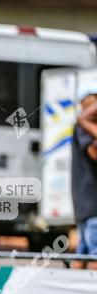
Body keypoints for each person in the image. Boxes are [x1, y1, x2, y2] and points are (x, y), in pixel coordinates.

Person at [73, 93, 97, 268]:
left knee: (83, 252)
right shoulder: (83, 128)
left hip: (86, 204)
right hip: (91, 204)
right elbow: (94, 154)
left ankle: (71, 292)